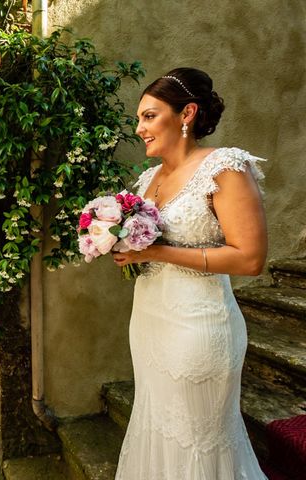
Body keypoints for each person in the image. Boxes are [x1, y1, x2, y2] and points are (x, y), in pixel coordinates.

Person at [111, 68, 268, 479]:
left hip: (199, 326)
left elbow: (250, 259)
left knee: (198, 439)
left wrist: (159, 250)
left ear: (187, 113)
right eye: (139, 118)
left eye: (149, 116)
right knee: (157, 426)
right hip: (150, 321)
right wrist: (119, 244)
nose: (139, 127)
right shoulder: (148, 180)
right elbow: (148, 247)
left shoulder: (224, 168)